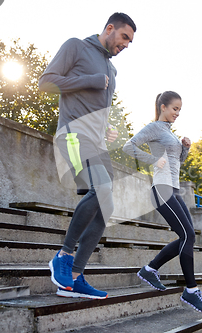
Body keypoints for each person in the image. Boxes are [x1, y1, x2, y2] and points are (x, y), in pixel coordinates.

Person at [38, 13, 136, 299]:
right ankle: (63, 257)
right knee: (101, 188)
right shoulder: (75, 47)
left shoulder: (112, 71)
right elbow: (46, 82)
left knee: (105, 208)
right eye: (124, 37)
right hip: (72, 134)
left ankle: (76, 277)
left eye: (130, 41)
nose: (127, 45)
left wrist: (107, 129)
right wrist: (89, 80)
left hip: (96, 143)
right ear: (109, 29)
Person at [122, 91, 202, 313]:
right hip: (161, 188)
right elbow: (128, 146)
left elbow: (176, 162)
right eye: (175, 108)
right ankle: (191, 290)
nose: (178, 113)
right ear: (163, 107)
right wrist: (153, 160)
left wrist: (186, 148)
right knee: (188, 236)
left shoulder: (169, 132)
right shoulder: (154, 127)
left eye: (180, 110)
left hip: (172, 188)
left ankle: (150, 269)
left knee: (187, 236)